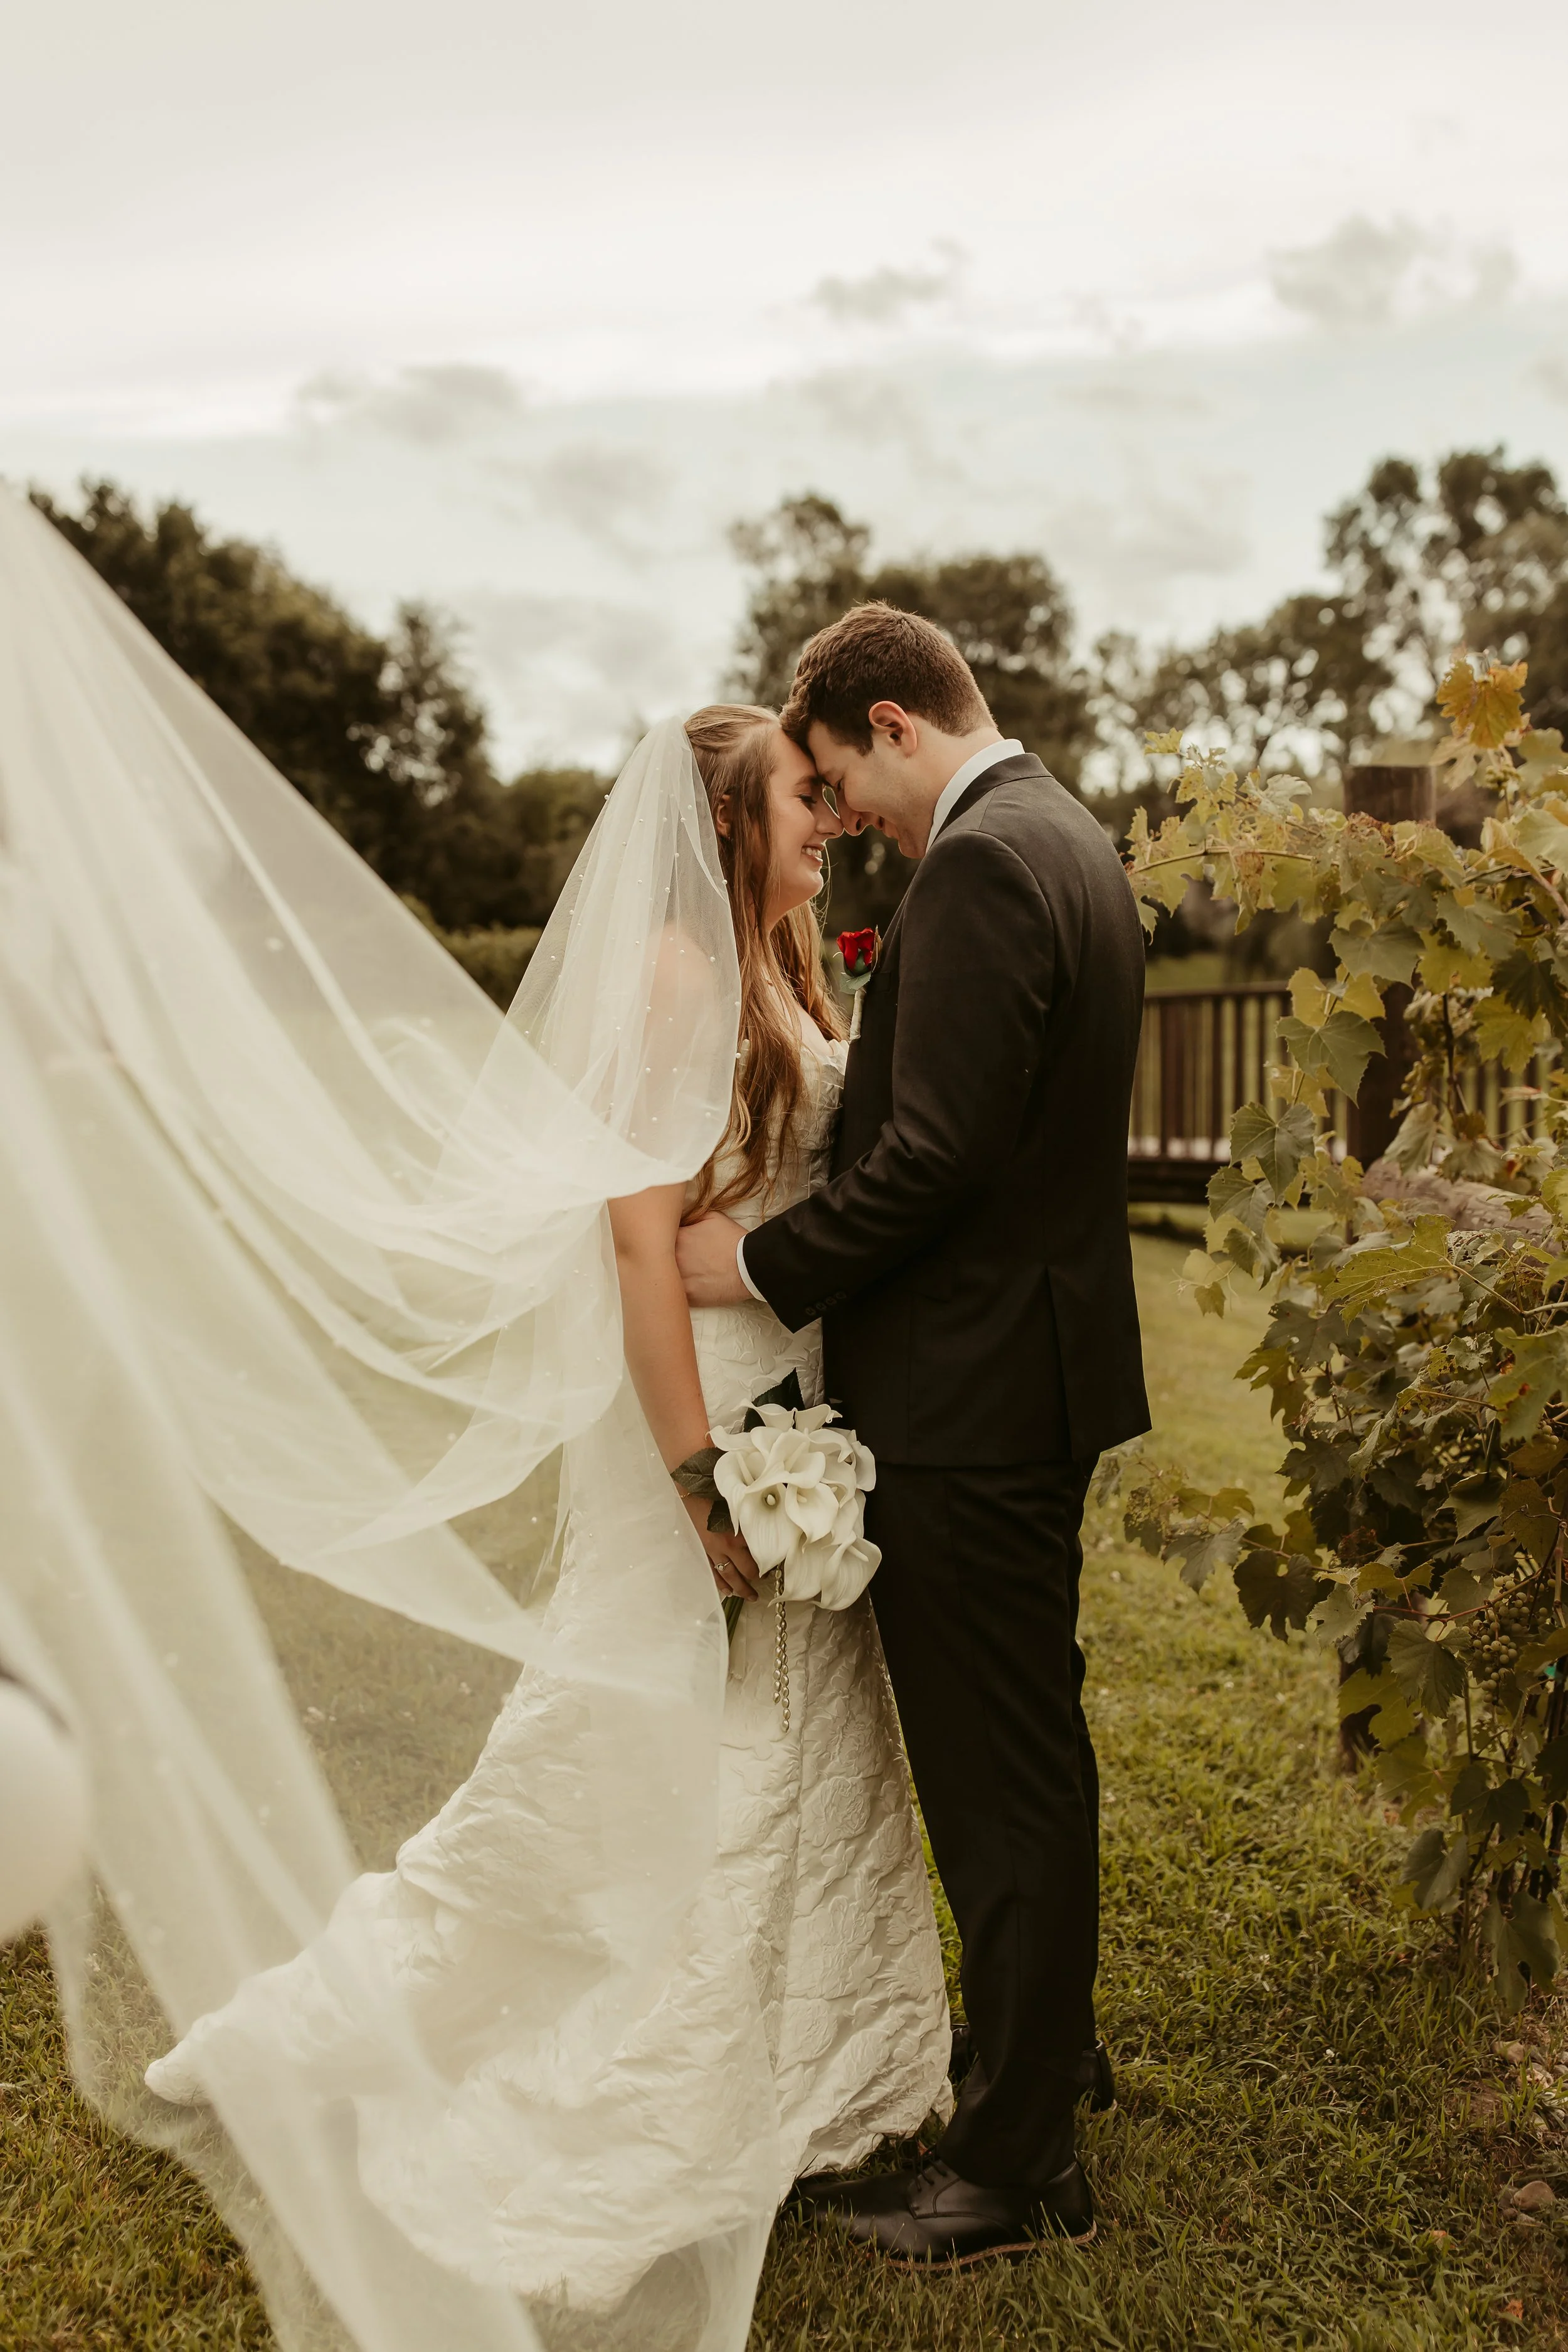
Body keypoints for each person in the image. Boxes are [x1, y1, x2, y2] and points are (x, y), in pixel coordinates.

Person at [144, 703, 952, 2303]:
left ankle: (813, 2067)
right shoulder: (671, 981)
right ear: (726, 819)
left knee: (795, 1737)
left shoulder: (790, 965)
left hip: (799, 1389)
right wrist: (693, 1474)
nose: (829, 822)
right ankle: (385, 2034)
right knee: (616, 1747)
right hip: (713, 1405)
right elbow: (639, 1247)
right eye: (804, 798)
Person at [677, 606, 1151, 2266]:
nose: (839, 815)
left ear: (888, 723)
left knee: (995, 1770)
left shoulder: (980, 864)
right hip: (1030, 1376)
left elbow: (935, 1153)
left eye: (831, 774)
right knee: (1033, 1743)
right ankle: (1045, 2051)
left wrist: (753, 1258)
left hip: (969, 1401)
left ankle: (1008, 2163)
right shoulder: (1064, 832)